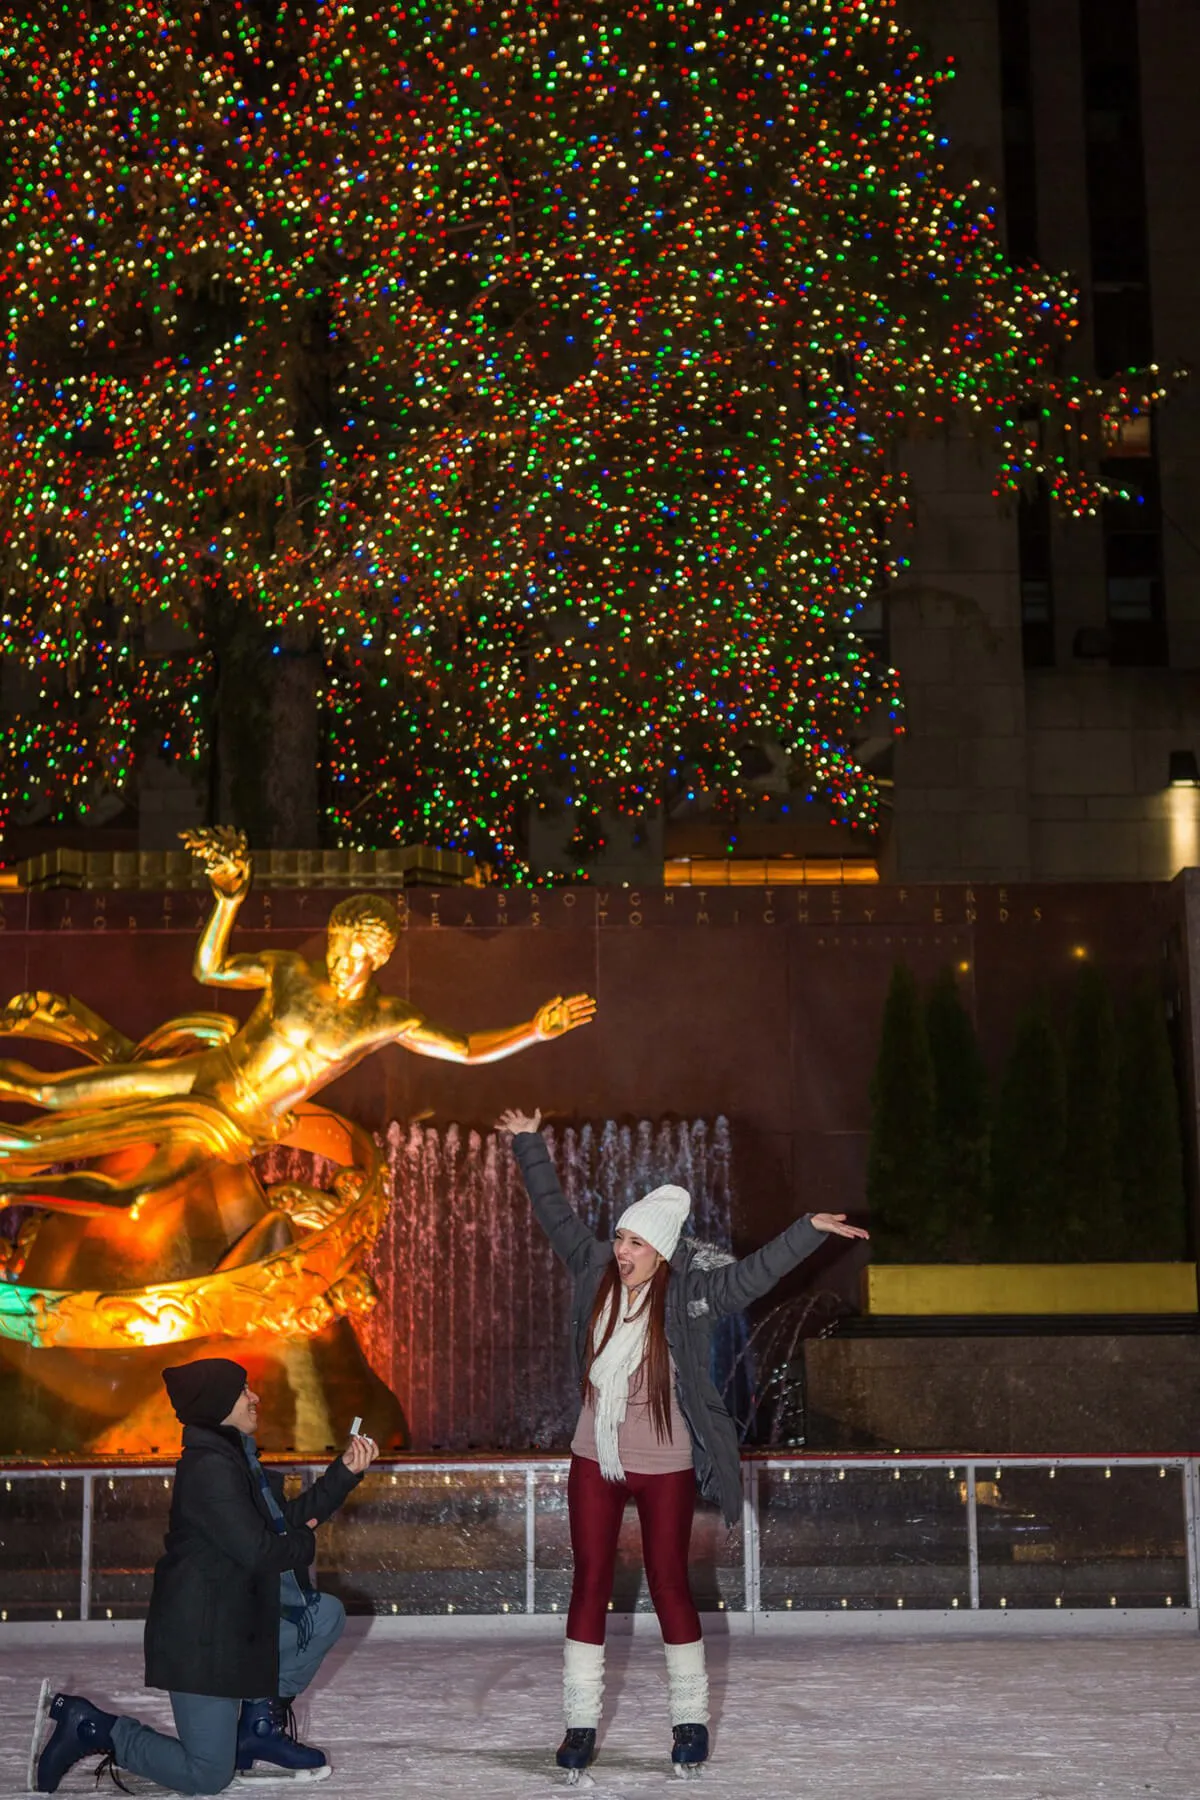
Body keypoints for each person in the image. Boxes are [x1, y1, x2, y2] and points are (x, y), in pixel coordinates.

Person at [497, 1106, 868, 1779]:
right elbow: (554, 1212)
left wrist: (807, 1231)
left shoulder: (693, 1294)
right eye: (620, 1238)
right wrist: (528, 1143)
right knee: (589, 1580)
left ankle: (688, 1721)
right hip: (594, 1458)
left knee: (671, 1582)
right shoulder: (591, 1271)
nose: (622, 1250)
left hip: (665, 1462)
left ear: (662, 1249)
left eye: (636, 1243)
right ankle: (580, 1725)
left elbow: (755, 1274)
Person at [0, 826, 596, 1211]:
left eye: (353, 954)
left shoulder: (386, 1018)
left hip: (235, 1122)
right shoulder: (290, 969)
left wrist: (532, 1031)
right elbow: (210, 970)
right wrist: (228, 902)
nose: (338, 961)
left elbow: (465, 1048)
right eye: (335, 947)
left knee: (132, 1198)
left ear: (378, 956)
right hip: (202, 1072)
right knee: (45, 1093)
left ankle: (13, 1190)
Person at [33, 1356, 379, 1794]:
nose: (255, 1397)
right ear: (219, 1402)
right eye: (243, 1391)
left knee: (323, 1614)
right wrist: (305, 1542)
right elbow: (260, 1549)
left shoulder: (235, 1459)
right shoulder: (209, 1468)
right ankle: (91, 1727)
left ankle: (256, 1728)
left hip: (237, 1627)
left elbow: (283, 1521)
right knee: (207, 1776)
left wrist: (344, 1472)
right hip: (203, 1642)